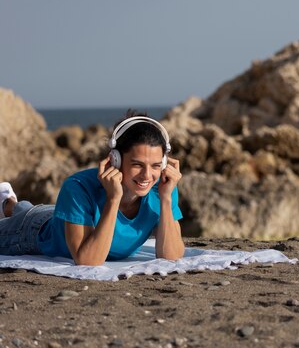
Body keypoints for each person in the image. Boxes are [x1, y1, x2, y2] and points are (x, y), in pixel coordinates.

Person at [0, 111, 185, 265]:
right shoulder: (77, 187)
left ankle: (7, 201)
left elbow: (171, 256)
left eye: (155, 165)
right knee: (29, 214)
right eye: (137, 165)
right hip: (31, 231)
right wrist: (113, 199)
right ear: (116, 160)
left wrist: (167, 199)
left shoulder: (163, 187)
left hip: (61, 214)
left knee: (26, 209)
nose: (147, 176)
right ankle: (8, 202)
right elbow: (87, 260)